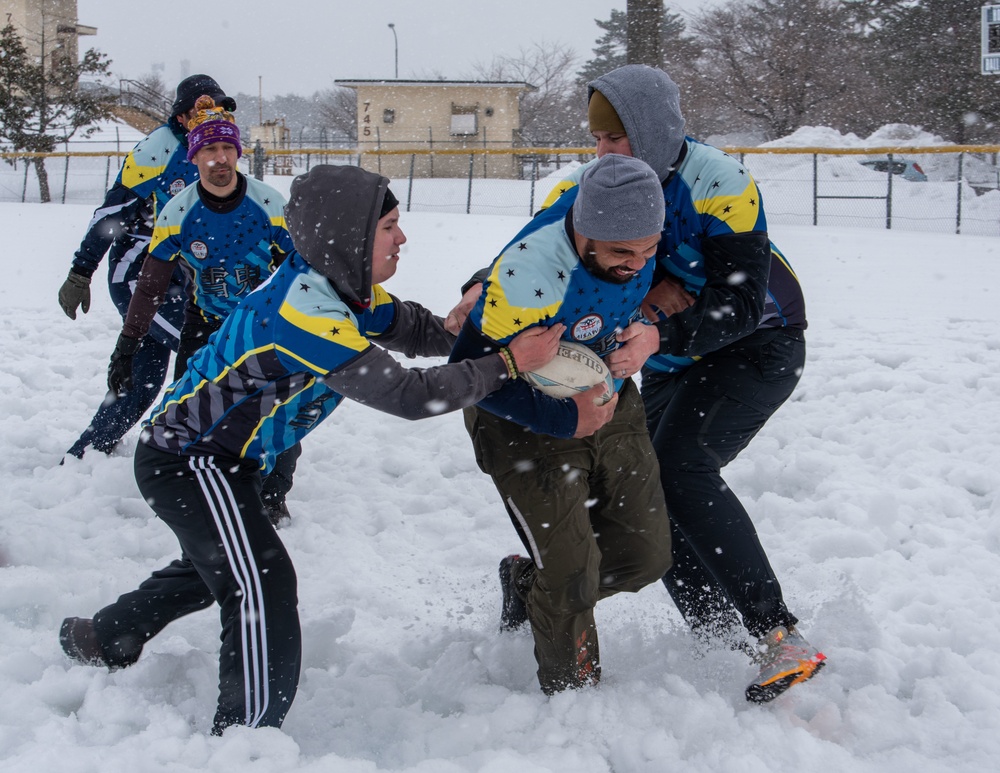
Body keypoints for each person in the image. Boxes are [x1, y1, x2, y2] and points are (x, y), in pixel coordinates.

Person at [58, 163, 563, 735]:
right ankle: (244, 738)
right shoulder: (304, 311)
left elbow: (411, 327)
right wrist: (508, 362)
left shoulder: (339, 286)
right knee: (259, 583)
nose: (402, 238)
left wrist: (465, 332)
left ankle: (101, 638)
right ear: (349, 238)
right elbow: (407, 395)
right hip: (187, 460)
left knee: (214, 568)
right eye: (390, 226)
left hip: (225, 462)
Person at [446, 64, 825, 704]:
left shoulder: (719, 181)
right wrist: (478, 285)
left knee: (681, 470)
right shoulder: (595, 187)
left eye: (614, 140)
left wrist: (661, 333)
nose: (601, 154)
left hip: (756, 345)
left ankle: (776, 631)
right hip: (662, 357)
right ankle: (711, 631)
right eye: (596, 141)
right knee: (655, 492)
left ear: (651, 134)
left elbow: (740, 300)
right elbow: (534, 247)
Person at [449, 153, 673, 695]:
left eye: (649, 249)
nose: (638, 265)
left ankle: (528, 585)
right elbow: (469, 373)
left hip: (607, 396)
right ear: (584, 232)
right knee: (572, 573)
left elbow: (676, 287)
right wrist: (562, 418)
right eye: (622, 253)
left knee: (646, 556)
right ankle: (573, 701)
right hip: (520, 416)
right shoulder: (531, 275)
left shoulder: (626, 221)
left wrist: (650, 327)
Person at [106, 94, 298, 525]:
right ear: (194, 156)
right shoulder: (177, 212)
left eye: (227, 148)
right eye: (209, 149)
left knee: (278, 413)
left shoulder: (269, 205)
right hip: (206, 324)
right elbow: (152, 284)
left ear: (238, 153)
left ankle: (271, 498)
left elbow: (302, 273)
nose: (220, 158)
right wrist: (127, 344)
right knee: (185, 410)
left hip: (262, 324)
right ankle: (195, 486)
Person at [58, 74, 236, 460]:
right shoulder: (158, 149)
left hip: (184, 278)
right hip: (141, 274)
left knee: (142, 382)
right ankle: (182, 451)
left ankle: (85, 454)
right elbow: (112, 214)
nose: (208, 117)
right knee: (208, 355)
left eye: (217, 109)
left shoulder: (217, 149)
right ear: (182, 115)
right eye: (199, 111)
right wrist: (81, 270)